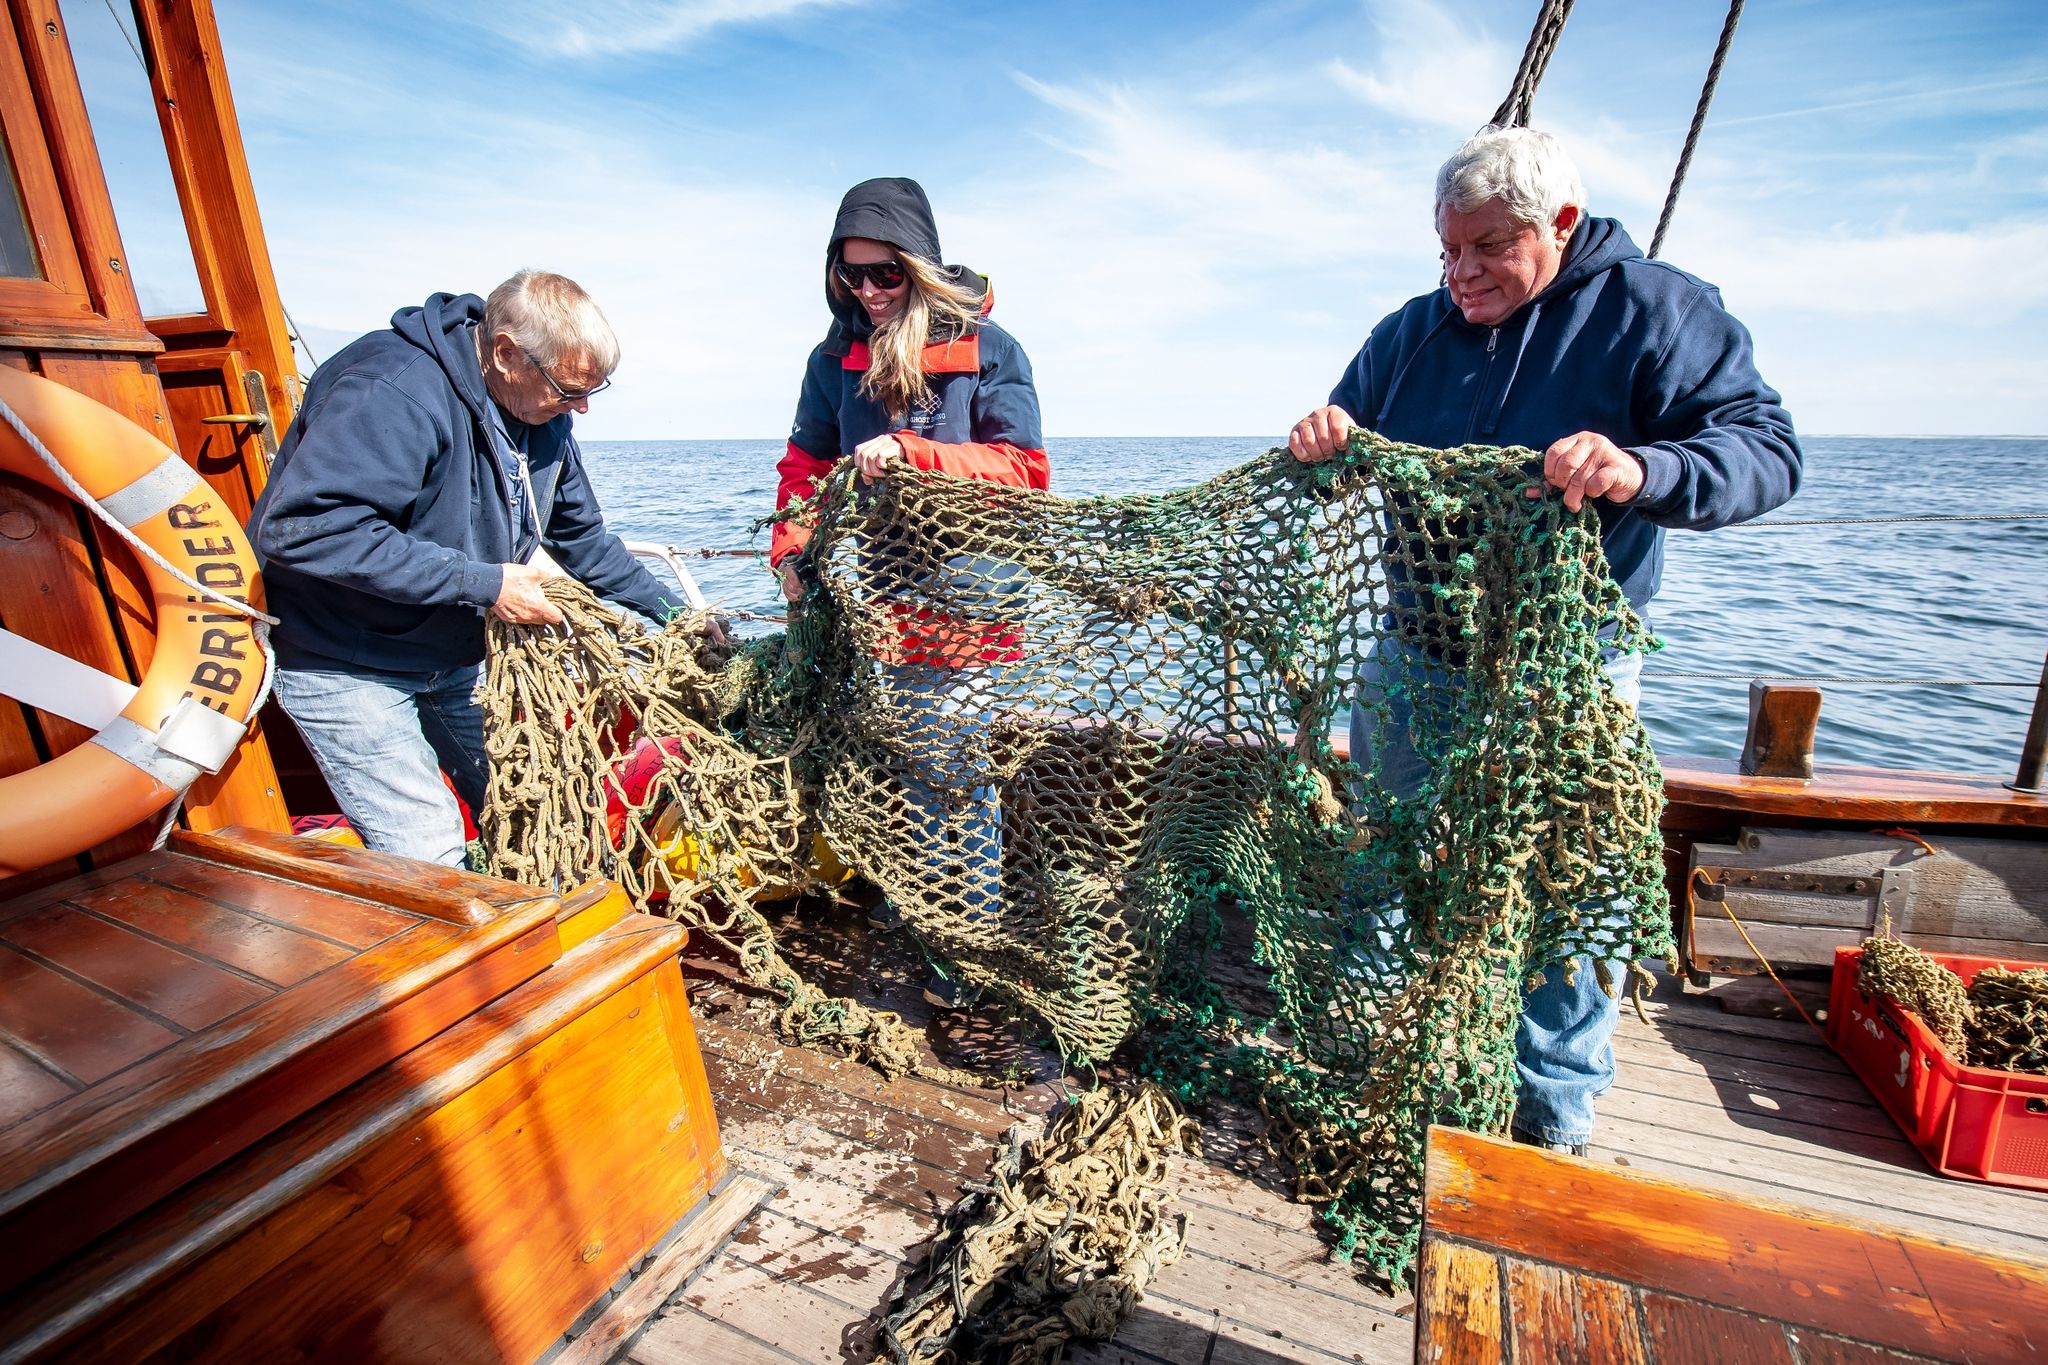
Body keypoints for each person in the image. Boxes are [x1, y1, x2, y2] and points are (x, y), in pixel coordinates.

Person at [1287, 125, 1801, 1154]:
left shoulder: (1653, 311)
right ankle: (1362, 1063)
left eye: (1485, 248)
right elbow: (1334, 443)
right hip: (1417, 654)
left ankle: (1553, 1111)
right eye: (1445, 249)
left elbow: (1762, 451)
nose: (1459, 273)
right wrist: (1320, 446)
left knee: (1575, 888)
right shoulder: (1410, 332)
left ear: (1558, 224)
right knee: (1387, 857)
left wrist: (1638, 471)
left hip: (1565, 670)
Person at [251, 270, 678, 867]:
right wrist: (488, 583)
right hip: (343, 658)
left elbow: (582, 540)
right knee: (431, 850)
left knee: (542, 811)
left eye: (594, 392)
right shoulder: (392, 389)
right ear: (506, 354)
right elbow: (307, 529)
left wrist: (674, 613)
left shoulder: (542, 415)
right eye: (568, 389)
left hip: (451, 654)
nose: (580, 409)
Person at [769, 176, 1048, 1008]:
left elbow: (1025, 472)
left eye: (886, 274)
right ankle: (942, 936)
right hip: (881, 610)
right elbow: (803, 471)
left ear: (919, 265)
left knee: (961, 781)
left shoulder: (990, 348)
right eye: (852, 276)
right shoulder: (833, 360)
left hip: (976, 608)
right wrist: (790, 547)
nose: (870, 292)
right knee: (912, 775)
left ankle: (966, 949)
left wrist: (914, 452)